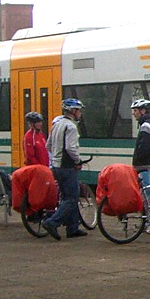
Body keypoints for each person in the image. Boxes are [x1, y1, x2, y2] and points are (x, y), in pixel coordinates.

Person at [41, 98, 86, 240]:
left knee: (67, 197)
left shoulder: (57, 124)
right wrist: (78, 160)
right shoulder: (71, 127)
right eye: (78, 110)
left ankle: (72, 228)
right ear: (72, 111)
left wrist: (55, 157)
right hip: (67, 167)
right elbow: (71, 148)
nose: (80, 113)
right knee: (72, 198)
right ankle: (52, 222)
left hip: (56, 166)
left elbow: (48, 145)